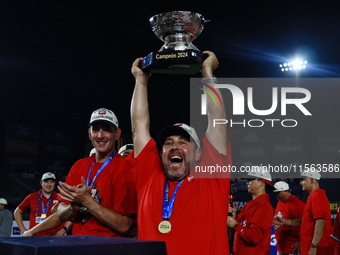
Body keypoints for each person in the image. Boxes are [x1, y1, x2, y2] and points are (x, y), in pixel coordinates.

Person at [130, 51, 231, 255]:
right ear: (161, 152)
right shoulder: (149, 174)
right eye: (168, 143)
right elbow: (138, 126)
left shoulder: (212, 175)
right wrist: (140, 81)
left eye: (183, 142)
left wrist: (207, 72)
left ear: (198, 153)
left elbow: (217, 122)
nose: (174, 147)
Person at [41, 108, 137, 237]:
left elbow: (124, 225)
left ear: (117, 134)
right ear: (89, 133)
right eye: (95, 129)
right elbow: (59, 213)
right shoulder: (79, 166)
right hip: (78, 246)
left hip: (110, 248)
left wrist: (87, 201)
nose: (100, 135)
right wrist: (73, 208)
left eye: (107, 129)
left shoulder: (125, 169)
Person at [275, 169, 334, 255]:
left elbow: (321, 223)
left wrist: (314, 246)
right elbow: (303, 222)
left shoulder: (317, 196)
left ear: (312, 180)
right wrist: (284, 221)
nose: (301, 183)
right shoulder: (312, 197)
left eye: (303, 180)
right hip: (309, 249)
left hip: (317, 250)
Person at [227, 167, 275, 255]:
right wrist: (234, 219)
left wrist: (235, 225)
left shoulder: (264, 207)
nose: (247, 182)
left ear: (262, 183)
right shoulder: (249, 206)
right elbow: (240, 232)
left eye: (251, 180)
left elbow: (254, 237)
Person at [272, 181, 305, 255]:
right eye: (275, 194)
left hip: (292, 249)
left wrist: (301, 242)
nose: (276, 196)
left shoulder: (297, 204)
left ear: (286, 191)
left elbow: (307, 224)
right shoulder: (280, 202)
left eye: (278, 193)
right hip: (281, 249)